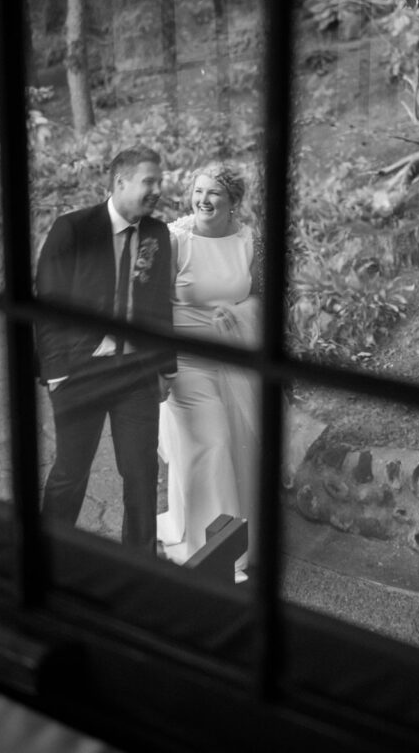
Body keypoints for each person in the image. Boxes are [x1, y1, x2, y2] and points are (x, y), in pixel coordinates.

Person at [36, 146, 176, 554]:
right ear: (120, 182)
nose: (157, 189)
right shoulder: (73, 230)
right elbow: (46, 303)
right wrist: (57, 372)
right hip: (80, 371)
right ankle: (47, 556)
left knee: (141, 474)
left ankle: (140, 566)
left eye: (159, 181)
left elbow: (159, 305)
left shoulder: (156, 234)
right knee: (70, 473)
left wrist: (165, 368)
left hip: (136, 372)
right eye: (149, 181)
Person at [157, 162, 260, 581]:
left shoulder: (251, 241)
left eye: (213, 192)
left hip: (233, 358)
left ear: (234, 202)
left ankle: (239, 533)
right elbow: (151, 304)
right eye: (198, 191)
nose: (203, 200)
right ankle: (213, 551)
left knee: (239, 446)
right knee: (214, 442)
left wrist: (239, 313)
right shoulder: (175, 241)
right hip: (185, 363)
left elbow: (263, 298)